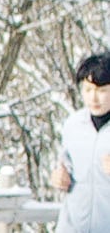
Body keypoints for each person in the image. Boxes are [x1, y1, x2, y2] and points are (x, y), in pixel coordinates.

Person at [57, 53, 110, 232]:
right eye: (88, 90)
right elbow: (65, 167)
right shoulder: (73, 125)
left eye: (102, 91)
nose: (94, 98)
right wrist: (60, 177)